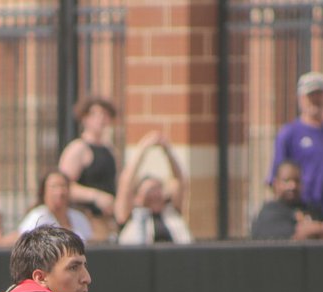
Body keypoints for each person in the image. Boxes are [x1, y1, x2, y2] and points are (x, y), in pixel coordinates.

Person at [267, 72, 323, 231]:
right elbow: (277, 179)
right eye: (311, 95)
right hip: (307, 218)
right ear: (300, 98)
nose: (315, 100)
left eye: (319, 94)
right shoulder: (289, 134)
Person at [114, 130, 192, 244]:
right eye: (149, 190)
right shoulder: (130, 216)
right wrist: (143, 148)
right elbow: (126, 183)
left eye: (157, 188)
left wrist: (167, 150)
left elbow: (180, 180)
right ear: (138, 197)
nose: (154, 193)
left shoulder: (172, 213)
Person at [58, 95, 118, 241]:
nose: (101, 119)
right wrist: (95, 196)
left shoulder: (110, 150)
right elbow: (65, 186)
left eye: (105, 114)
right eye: (95, 114)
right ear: (84, 118)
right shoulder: (78, 148)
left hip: (107, 221)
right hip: (84, 220)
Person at [251, 160, 323, 240]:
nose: (293, 186)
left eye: (297, 180)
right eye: (286, 181)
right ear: (276, 183)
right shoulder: (270, 211)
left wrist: (316, 229)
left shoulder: (312, 209)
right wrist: (321, 228)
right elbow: (296, 235)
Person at [13, 171, 93, 243]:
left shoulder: (79, 217)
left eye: (63, 186)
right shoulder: (37, 217)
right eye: (54, 186)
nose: (59, 192)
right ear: (44, 191)